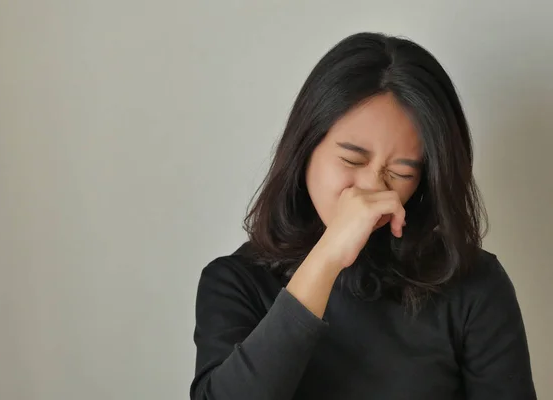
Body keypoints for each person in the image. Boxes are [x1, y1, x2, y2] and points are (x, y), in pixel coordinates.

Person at [189, 32, 536, 400]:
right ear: (306, 148)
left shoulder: (472, 285)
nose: (373, 187)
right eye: (352, 159)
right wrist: (326, 259)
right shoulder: (235, 282)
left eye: (401, 173)